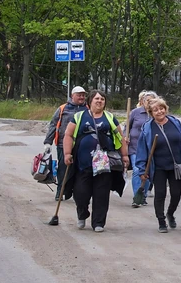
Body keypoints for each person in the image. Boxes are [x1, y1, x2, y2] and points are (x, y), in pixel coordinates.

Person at [62, 90, 128, 233]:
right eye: (97, 98)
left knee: (101, 193)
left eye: (102, 99)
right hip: (83, 164)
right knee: (80, 193)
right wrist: (67, 153)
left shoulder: (110, 117)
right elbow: (68, 135)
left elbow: (121, 138)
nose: (99, 101)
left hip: (104, 164)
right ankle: (82, 214)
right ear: (90, 101)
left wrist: (124, 156)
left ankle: (98, 222)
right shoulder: (79, 116)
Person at [135, 97, 181, 233]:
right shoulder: (147, 128)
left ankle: (170, 213)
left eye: (161, 108)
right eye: (155, 110)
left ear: (165, 108)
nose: (159, 112)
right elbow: (142, 150)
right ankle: (161, 221)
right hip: (158, 167)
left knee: (176, 194)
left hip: (176, 165)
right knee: (160, 193)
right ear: (151, 113)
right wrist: (141, 169)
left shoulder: (175, 122)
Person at [42, 86, 88, 200]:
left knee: (80, 170)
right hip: (63, 144)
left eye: (83, 95)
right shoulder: (63, 109)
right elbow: (53, 125)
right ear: (72, 96)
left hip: (82, 145)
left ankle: (75, 192)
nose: (82, 97)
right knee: (63, 169)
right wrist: (48, 142)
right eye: (79, 95)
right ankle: (60, 191)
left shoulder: (88, 109)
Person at [127, 90, 156, 207]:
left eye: (152, 100)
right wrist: (125, 137)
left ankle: (142, 195)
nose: (149, 102)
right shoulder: (136, 112)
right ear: (142, 101)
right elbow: (127, 127)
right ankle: (136, 197)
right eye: (147, 100)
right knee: (137, 170)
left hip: (151, 148)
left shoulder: (156, 113)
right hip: (135, 147)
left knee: (148, 172)